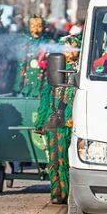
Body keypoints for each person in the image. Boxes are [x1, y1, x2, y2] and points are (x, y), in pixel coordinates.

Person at [36, 33, 80, 204]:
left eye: (72, 48)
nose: (69, 52)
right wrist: (41, 121)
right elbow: (46, 98)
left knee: (71, 162)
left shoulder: (82, 70)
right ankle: (58, 193)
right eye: (65, 49)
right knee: (55, 160)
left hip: (75, 123)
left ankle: (74, 195)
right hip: (56, 122)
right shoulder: (55, 69)